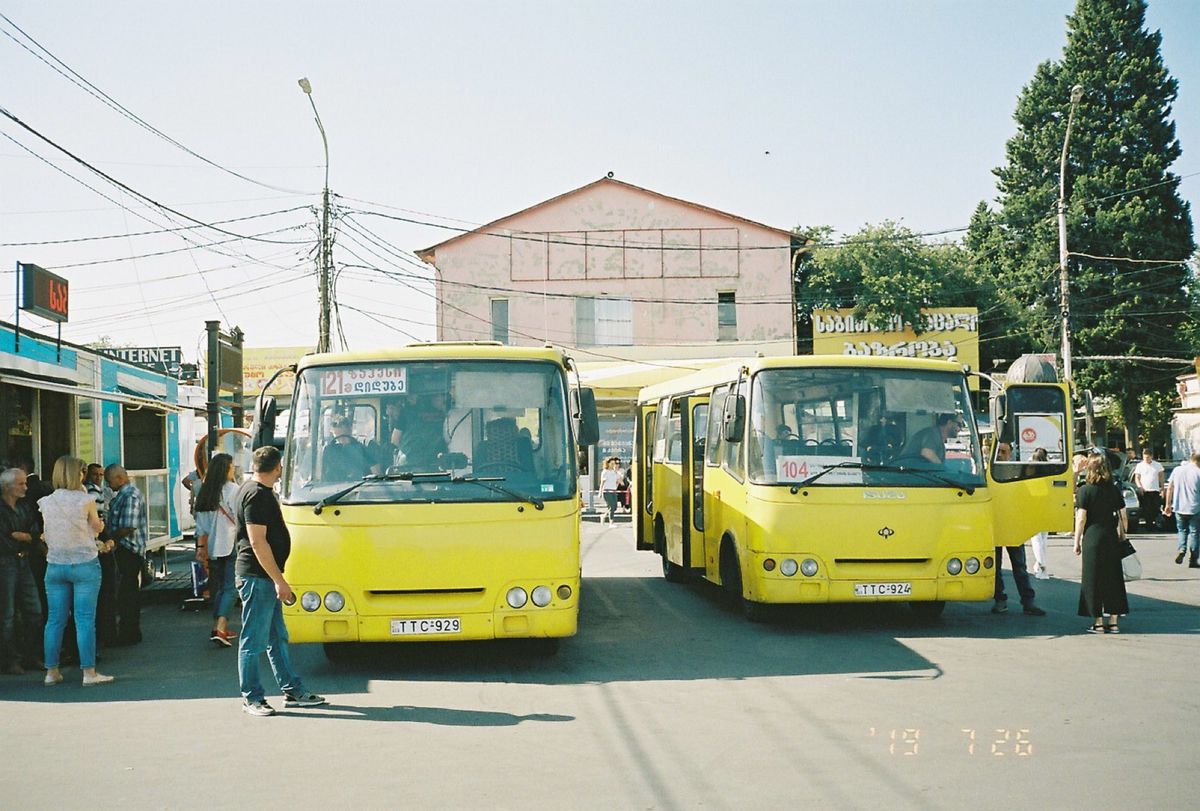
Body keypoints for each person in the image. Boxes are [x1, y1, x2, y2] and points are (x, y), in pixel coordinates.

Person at [235, 446, 325, 716]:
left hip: (262, 577)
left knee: (277, 637)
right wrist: (278, 580)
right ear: (278, 467)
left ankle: (292, 689)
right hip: (258, 577)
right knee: (253, 641)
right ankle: (252, 697)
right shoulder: (256, 496)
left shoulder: (253, 491)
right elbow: (257, 541)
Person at [39, 456, 113, 686]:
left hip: (55, 564)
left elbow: (46, 532)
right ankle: (88, 673)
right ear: (78, 474)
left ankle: (51, 671)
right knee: (84, 620)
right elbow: (97, 528)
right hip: (84, 563)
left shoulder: (46, 502)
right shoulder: (86, 499)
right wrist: (99, 525)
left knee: (54, 620)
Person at [1073, 453, 1130, 633]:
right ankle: (1113, 622)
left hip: (1092, 538)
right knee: (1114, 579)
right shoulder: (1114, 489)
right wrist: (1122, 534)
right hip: (1110, 538)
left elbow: (1081, 518)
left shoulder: (1085, 490)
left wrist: (1077, 541)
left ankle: (1097, 622)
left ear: (1090, 469)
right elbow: (1124, 516)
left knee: (1093, 579)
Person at [0, 468, 45, 674]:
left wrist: (25, 537)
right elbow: (6, 540)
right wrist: (26, 538)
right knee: (6, 614)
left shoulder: (26, 507)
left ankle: (31, 655)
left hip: (24, 560)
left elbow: (35, 532)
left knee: (34, 610)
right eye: (20, 484)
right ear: (7, 487)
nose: (25, 487)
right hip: (5, 562)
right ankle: (10, 660)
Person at [193, 453, 240, 648]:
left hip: (212, 547)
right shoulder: (233, 490)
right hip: (230, 544)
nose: (234, 469)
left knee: (219, 587)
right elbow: (240, 517)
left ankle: (217, 626)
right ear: (225, 470)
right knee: (231, 588)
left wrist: (201, 547)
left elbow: (201, 527)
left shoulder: (205, 492)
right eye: (232, 466)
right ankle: (221, 626)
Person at [104, 464, 147, 646]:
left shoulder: (130, 495)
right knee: (127, 592)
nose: (107, 484)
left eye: (109, 480)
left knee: (127, 593)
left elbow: (128, 526)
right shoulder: (124, 494)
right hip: (127, 549)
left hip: (128, 550)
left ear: (119, 478)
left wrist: (109, 537)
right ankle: (129, 630)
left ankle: (129, 632)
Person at [85, 463, 117, 647]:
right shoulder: (91, 493)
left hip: (100, 539)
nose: (98, 477)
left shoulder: (101, 491)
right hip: (98, 541)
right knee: (105, 592)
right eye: (95, 474)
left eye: (101, 474)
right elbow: (97, 522)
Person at [1163, 452, 1200, 567]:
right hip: (1195, 507)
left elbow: (1170, 488)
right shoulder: (1198, 472)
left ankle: (1182, 549)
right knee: (1195, 533)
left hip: (1179, 506)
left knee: (1182, 530)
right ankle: (1193, 559)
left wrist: (1167, 504)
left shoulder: (1177, 470)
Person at [320, 414, 373, 482]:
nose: (342, 440)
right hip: (333, 487)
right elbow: (322, 475)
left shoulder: (364, 447)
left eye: (345, 436)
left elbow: (376, 471)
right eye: (338, 437)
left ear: (350, 430)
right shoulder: (329, 450)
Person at [1025, 448, 1052, 579]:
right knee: (1043, 538)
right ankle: (1039, 564)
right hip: (1046, 506)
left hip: (1033, 507)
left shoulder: (1030, 471)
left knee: (1036, 539)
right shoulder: (1049, 470)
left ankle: (1041, 566)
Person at [1132, 449, 1164, 531]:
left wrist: (1162, 488)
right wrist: (1140, 487)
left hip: (1155, 490)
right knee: (1146, 509)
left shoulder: (1157, 465)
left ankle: (1154, 523)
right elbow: (1137, 478)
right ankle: (1148, 524)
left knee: (1155, 508)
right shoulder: (1140, 465)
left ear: (1151, 456)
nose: (1146, 459)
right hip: (1145, 491)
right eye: (1144, 457)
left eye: (1148, 457)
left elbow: (1161, 477)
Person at [599, 457, 620, 524]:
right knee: (612, 507)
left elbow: (618, 481)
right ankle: (611, 523)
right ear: (607, 464)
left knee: (615, 507)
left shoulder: (614, 472)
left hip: (613, 491)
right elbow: (602, 483)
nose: (613, 465)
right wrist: (600, 492)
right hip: (607, 491)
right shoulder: (605, 472)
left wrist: (616, 486)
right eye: (612, 463)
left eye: (614, 463)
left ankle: (603, 516)